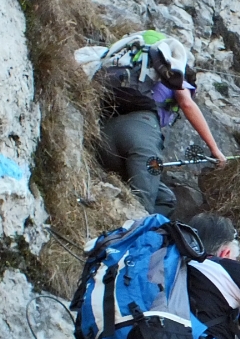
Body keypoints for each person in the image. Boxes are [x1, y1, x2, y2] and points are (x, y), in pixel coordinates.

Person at [94, 31, 227, 216]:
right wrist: (215, 150)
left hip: (103, 133)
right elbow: (186, 103)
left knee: (165, 199)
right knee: (142, 209)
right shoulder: (175, 78)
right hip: (142, 131)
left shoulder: (135, 70)